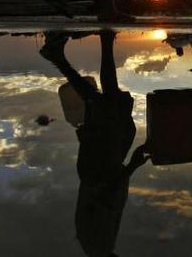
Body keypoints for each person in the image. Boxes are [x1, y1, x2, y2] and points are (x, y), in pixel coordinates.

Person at [40, 31, 149, 256]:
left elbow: (107, 197)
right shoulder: (96, 247)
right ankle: (66, 54)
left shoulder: (99, 247)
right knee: (108, 104)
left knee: (106, 104)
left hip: (100, 170)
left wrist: (133, 166)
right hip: (100, 168)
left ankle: (94, 45)